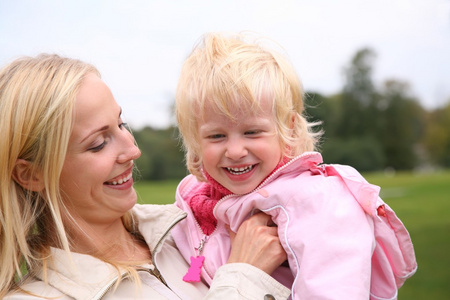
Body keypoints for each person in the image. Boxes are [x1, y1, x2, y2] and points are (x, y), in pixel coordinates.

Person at [0, 54, 292, 299]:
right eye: (98, 143)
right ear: (31, 174)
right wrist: (243, 278)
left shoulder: (193, 227)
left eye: (121, 124)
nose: (132, 150)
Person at [172, 32, 418, 300]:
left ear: (287, 129)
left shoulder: (317, 201)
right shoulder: (196, 200)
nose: (235, 151)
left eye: (252, 132)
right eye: (216, 136)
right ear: (196, 140)